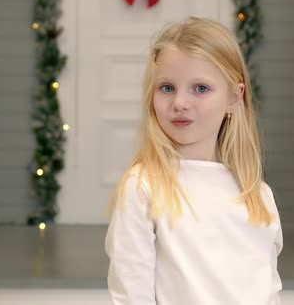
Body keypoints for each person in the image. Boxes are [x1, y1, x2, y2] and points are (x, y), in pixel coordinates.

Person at [105, 17, 283, 305]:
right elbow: (131, 294)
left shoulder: (256, 194)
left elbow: (268, 290)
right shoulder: (144, 186)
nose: (180, 103)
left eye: (200, 88)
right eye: (167, 88)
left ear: (234, 98)